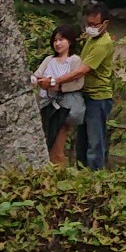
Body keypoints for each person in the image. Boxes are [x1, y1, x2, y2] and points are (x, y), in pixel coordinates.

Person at [32, 26, 89, 165]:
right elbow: (37, 75)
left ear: (69, 42)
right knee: (46, 144)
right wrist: (36, 81)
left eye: (61, 40)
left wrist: (56, 85)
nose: (57, 44)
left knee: (57, 146)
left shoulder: (74, 60)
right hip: (47, 105)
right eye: (55, 40)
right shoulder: (49, 59)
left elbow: (77, 83)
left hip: (63, 107)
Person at [75, 4, 119, 169]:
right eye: (88, 24)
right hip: (85, 94)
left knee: (95, 142)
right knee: (81, 142)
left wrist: (56, 81)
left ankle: (94, 177)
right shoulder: (91, 39)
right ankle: (81, 173)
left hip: (98, 98)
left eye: (94, 25)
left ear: (105, 24)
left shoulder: (103, 43)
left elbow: (84, 69)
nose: (91, 28)